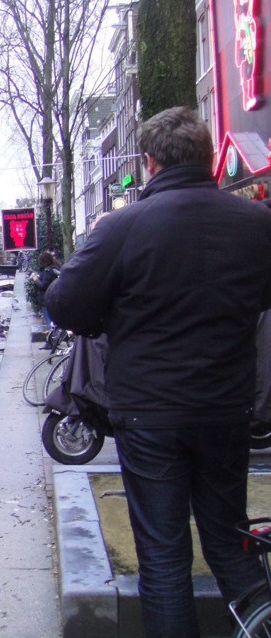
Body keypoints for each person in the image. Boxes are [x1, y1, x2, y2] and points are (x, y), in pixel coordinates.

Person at [44, 106, 271, 638]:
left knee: (164, 560)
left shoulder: (122, 227)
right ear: (208, 157)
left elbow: (65, 304)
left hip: (149, 414)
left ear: (148, 163)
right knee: (228, 540)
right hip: (226, 409)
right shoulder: (258, 223)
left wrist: (116, 313)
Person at [29, 251, 59, 330]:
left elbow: (43, 286)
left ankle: (52, 338)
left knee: (49, 321)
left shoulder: (48, 271)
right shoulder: (53, 269)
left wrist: (35, 279)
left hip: (46, 299)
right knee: (53, 320)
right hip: (52, 299)